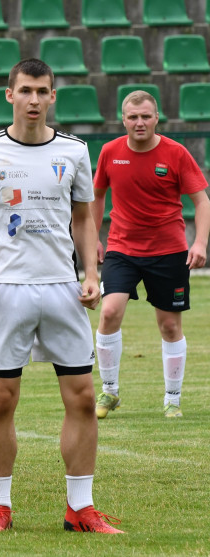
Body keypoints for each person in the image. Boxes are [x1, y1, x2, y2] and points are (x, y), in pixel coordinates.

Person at [0, 58, 123, 535]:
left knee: (81, 396)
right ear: (8, 95)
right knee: (0, 400)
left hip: (62, 290)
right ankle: (0, 508)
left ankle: (81, 508)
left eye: (43, 91)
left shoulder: (74, 150)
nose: (34, 100)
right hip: (8, 291)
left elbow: (84, 216)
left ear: (53, 97)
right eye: (26, 90)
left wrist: (92, 272)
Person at [90, 90, 209, 420]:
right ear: (123, 119)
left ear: (157, 118)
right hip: (121, 248)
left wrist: (199, 243)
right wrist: (93, 239)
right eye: (132, 116)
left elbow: (202, 201)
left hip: (169, 252)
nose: (139, 122)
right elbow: (97, 197)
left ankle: (172, 398)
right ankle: (110, 392)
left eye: (145, 116)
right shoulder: (110, 152)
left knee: (169, 325)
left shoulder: (176, 153)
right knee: (109, 311)